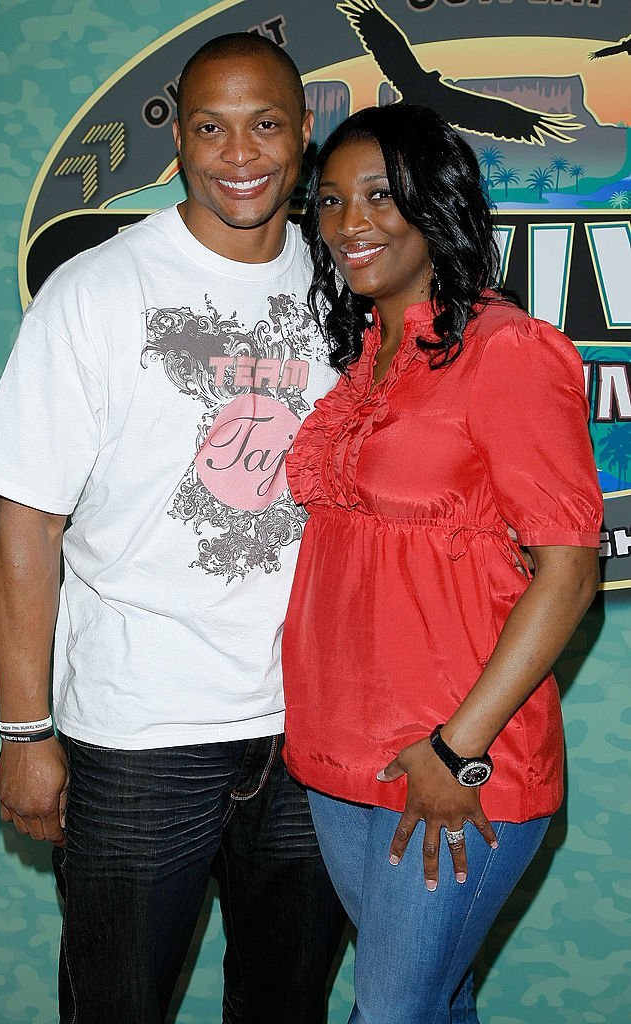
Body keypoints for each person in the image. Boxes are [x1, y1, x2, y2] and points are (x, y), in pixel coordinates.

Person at [0, 33, 345, 1024]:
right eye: (210, 128)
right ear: (177, 140)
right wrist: (24, 730)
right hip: (139, 737)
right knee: (116, 1007)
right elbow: (25, 523)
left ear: (305, 131)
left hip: (313, 732)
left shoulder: (351, 291)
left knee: (285, 1005)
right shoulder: (95, 292)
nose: (240, 154)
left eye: (264, 124)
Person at [281, 103, 602, 1024]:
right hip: (338, 760)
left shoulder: (507, 352)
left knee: (389, 1012)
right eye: (331, 201)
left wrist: (454, 750)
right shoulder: (362, 360)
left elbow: (568, 572)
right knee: (433, 1003)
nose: (349, 223)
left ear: (438, 204)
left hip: (456, 765)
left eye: (380, 195)